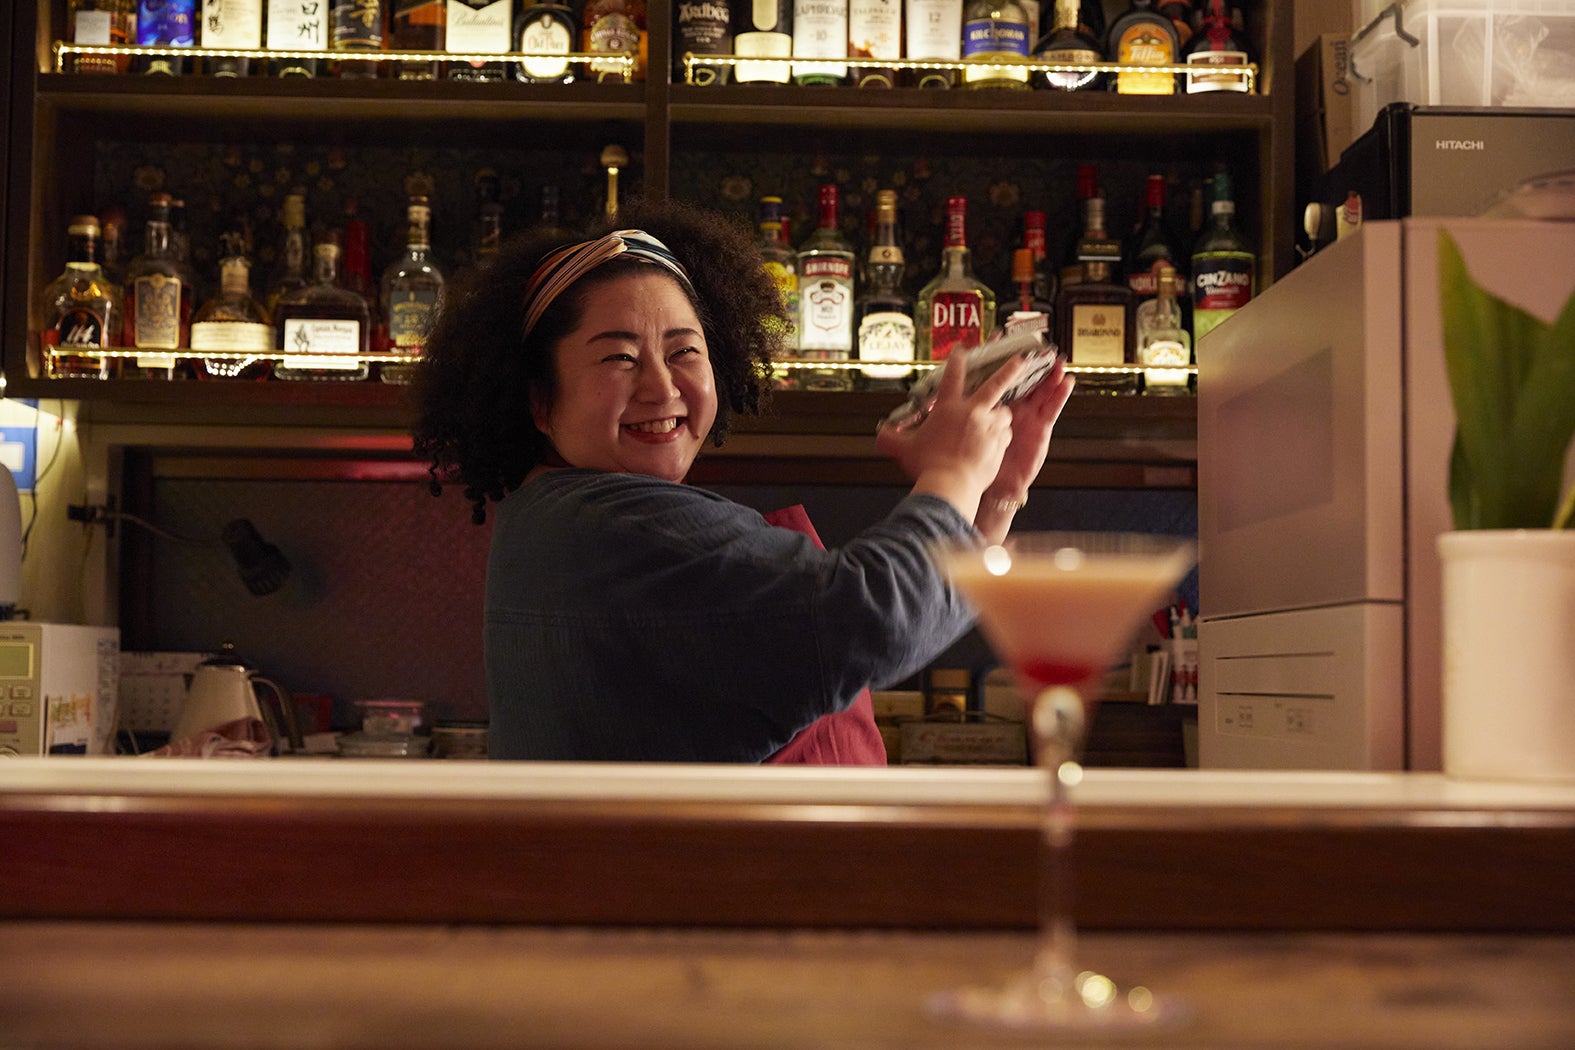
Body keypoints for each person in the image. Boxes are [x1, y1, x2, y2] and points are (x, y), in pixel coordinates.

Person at [412, 197, 1074, 763]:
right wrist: (951, 472)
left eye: (684, 351)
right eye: (619, 358)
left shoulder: (563, 516)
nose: (662, 387)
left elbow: (893, 622)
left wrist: (992, 497)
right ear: (538, 400)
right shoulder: (615, 524)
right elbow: (869, 620)